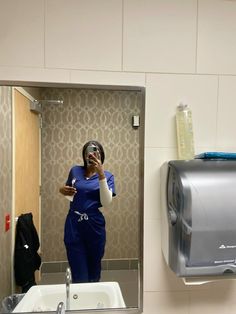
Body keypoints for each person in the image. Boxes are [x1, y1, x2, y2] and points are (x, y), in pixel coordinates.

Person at [59, 140, 116, 283]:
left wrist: (101, 174)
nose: (91, 155)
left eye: (96, 153)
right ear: (84, 156)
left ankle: (93, 301)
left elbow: (106, 202)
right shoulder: (75, 171)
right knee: (79, 273)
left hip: (94, 225)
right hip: (74, 224)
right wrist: (62, 190)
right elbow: (71, 196)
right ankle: (80, 302)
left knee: (94, 270)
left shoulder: (108, 176)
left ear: (101, 155)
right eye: (88, 153)